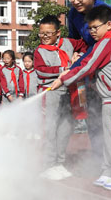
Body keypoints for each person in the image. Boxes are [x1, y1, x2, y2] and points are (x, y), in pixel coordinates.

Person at [50, 5, 111, 191]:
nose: (91, 33)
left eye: (95, 28)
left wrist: (63, 79)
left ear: (108, 25)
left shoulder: (107, 44)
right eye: (89, 29)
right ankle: (109, 173)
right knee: (108, 138)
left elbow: (87, 65)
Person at [66, 0, 111, 160]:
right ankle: (99, 157)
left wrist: (77, 66)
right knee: (92, 114)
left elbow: (104, 46)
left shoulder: (106, 12)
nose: (76, 2)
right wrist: (75, 53)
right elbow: (76, 40)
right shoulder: (73, 14)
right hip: (90, 67)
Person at [34, 15, 86, 180]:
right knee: (50, 129)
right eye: (42, 33)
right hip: (51, 92)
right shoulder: (39, 51)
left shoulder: (69, 43)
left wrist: (79, 56)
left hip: (69, 91)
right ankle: (48, 165)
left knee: (65, 127)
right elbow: (41, 70)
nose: (44, 37)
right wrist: (62, 69)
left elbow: (86, 45)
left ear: (58, 33)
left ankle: (59, 163)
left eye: (48, 33)